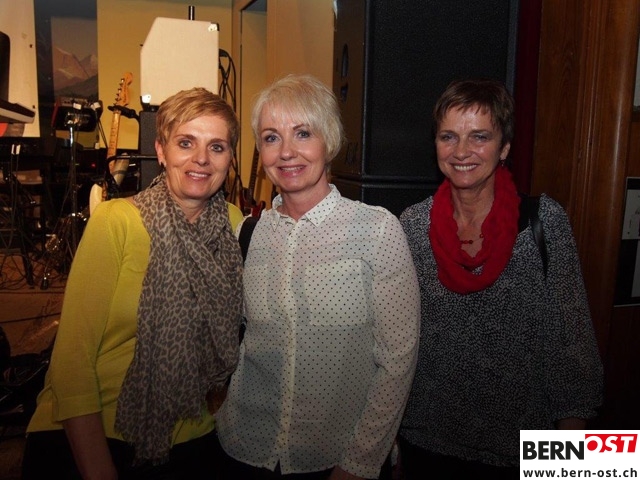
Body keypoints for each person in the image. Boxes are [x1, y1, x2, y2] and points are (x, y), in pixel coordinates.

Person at [22, 87, 244, 479]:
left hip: (195, 428)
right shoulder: (116, 221)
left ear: (230, 158)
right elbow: (71, 359)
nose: (201, 159)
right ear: (161, 151)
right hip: (95, 429)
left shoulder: (235, 224)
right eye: (186, 143)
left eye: (217, 147)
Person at [215, 74, 421, 480]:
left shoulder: (376, 231)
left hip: (335, 459)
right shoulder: (248, 234)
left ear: (329, 141)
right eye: (271, 138)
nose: (286, 152)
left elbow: (398, 360)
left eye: (303, 133)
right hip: (243, 447)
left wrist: (359, 463)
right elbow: (232, 338)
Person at [397, 79, 603, 478]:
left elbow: (572, 353)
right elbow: (399, 343)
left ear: (504, 147)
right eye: (448, 136)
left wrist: (572, 465)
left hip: (523, 452)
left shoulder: (544, 223)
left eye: (479, 137)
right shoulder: (412, 226)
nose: (461, 151)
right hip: (427, 442)